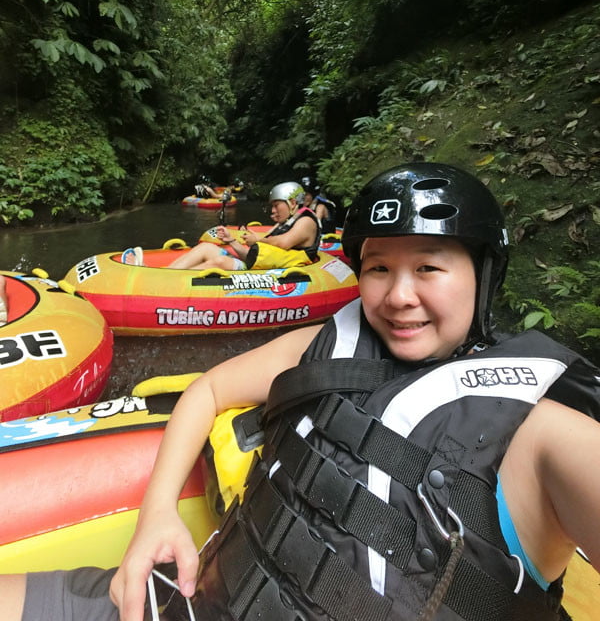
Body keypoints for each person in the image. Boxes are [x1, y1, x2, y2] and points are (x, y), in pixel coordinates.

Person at [4, 161, 600, 621]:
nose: (398, 296)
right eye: (378, 268)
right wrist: (156, 515)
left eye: (429, 267)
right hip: (186, 599)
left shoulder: (545, 435)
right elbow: (208, 390)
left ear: (483, 274)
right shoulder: (326, 344)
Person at [167, 180, 320, 271]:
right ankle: (165, 274)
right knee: (206, 248)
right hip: (260, 268)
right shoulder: (284, 223)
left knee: (220, 262)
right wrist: (231, 241)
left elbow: (283, 243)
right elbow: (255, 257)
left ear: (292, 203)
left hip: (271, 276)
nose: (273, 211)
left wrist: (257, 240)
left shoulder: (306, 222)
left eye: (276, 205)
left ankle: (172, 283)